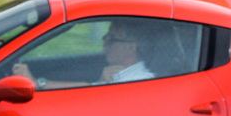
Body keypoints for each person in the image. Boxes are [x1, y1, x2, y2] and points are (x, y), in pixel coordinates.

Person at [12, 20, 156, 89]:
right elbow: (85, 88)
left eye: (111, 38)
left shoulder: (138, 82)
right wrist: (37, 84)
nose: (105, 41)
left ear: (131, 47)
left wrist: (37, 84)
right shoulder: (118, 75)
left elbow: (87, 97)